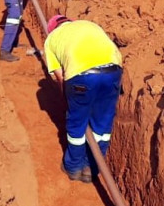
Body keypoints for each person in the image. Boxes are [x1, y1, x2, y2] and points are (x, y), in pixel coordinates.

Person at [44, 15, 123, 183]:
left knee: (77, 123)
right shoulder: (90, 24)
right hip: (113, 71)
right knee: (102, 124)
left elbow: (59, 76)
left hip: (82, 76)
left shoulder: (51, 39)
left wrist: (68, 99)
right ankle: (91, 169)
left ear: (52, 29)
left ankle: (73, 167)